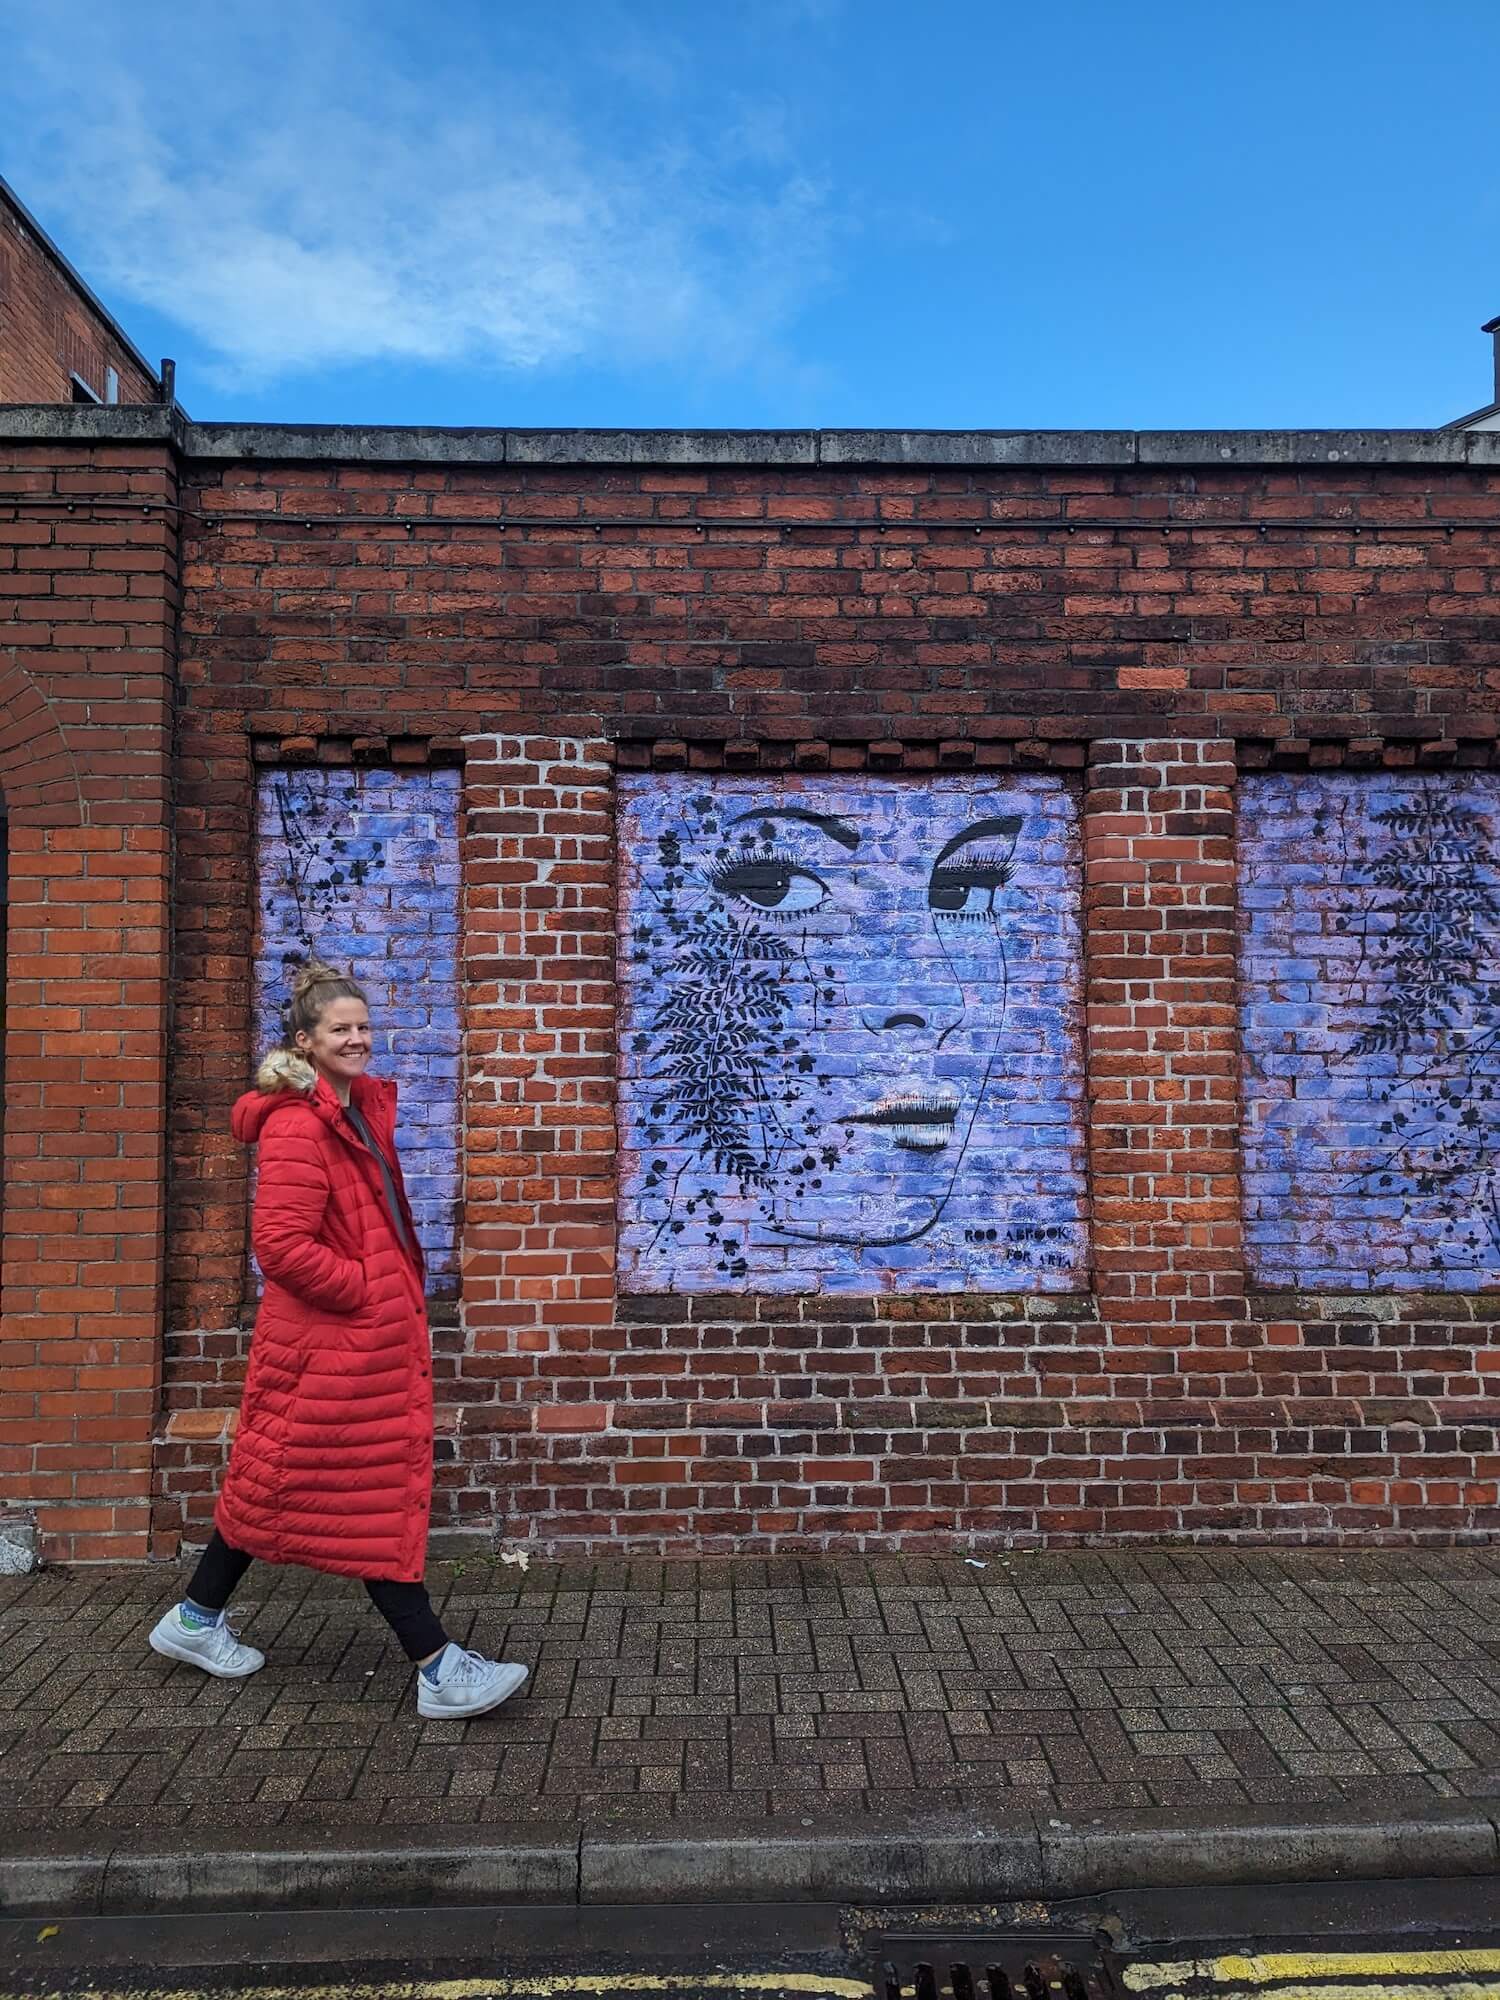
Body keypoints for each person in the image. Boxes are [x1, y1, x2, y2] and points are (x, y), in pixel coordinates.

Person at [149, 961, 526, 1720]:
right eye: (340, 1029)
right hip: (334, 1346)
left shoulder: (352, 1112)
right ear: (305, 1041)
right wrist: (366, 1293)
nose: (357, 1039)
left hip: (346, 1346)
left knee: (276, 1484)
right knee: (367, 1499)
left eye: (362, 1026)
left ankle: (192, 1620)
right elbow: (280, 1247)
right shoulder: (298, 1125)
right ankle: (439, 1667)